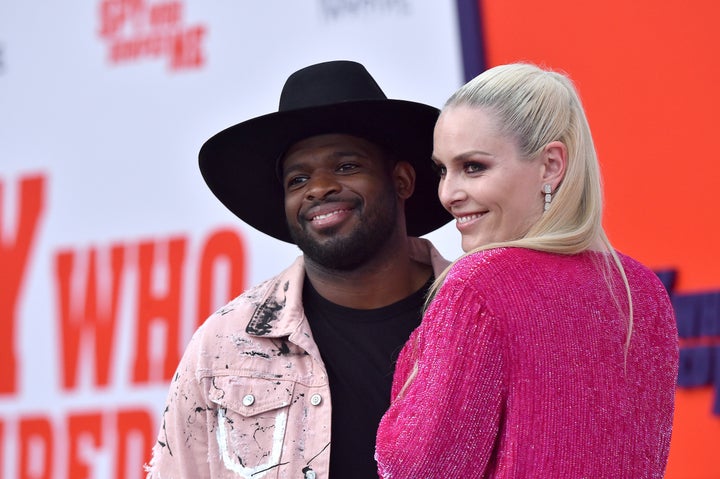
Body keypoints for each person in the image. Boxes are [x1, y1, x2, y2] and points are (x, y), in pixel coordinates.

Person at [144, 60, 451, 479]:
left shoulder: (477, 316)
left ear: (401, 180)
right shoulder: (226, 344)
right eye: (298, 179)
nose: (318, 188)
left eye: (346, 166)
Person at [375, 63, 679, 478]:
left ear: (551, 165)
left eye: (474, 167)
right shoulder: (641, 290)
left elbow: (418, 466)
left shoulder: (478, 285)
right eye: (442, 170)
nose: (448, 194)